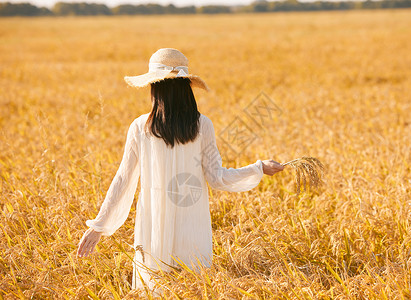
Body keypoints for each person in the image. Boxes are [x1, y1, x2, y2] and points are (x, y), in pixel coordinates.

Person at [77, 48, 285, 293]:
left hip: (153, 225)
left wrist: (99, 226)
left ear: (156, 88)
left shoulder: (140, 127)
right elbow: (218, 178)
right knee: (192, 289)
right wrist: (258, 168)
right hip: (192, 224)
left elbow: (123, 180)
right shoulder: (201, 125)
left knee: (154, 288)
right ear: (186, 88)